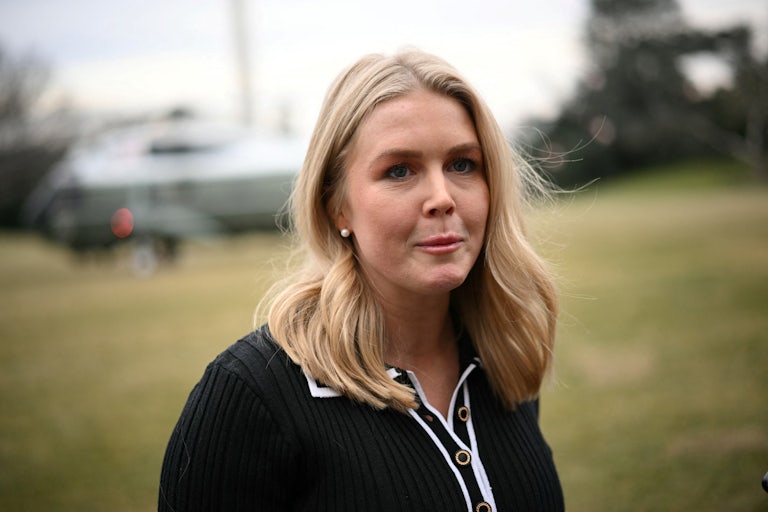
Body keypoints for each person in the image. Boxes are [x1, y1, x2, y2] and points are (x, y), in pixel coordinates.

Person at [159, 49, 563, 511]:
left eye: (462, 164)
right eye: (399, 170)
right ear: (337, 207)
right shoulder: (252, 394)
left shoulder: (502, 359)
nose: (442, 197)